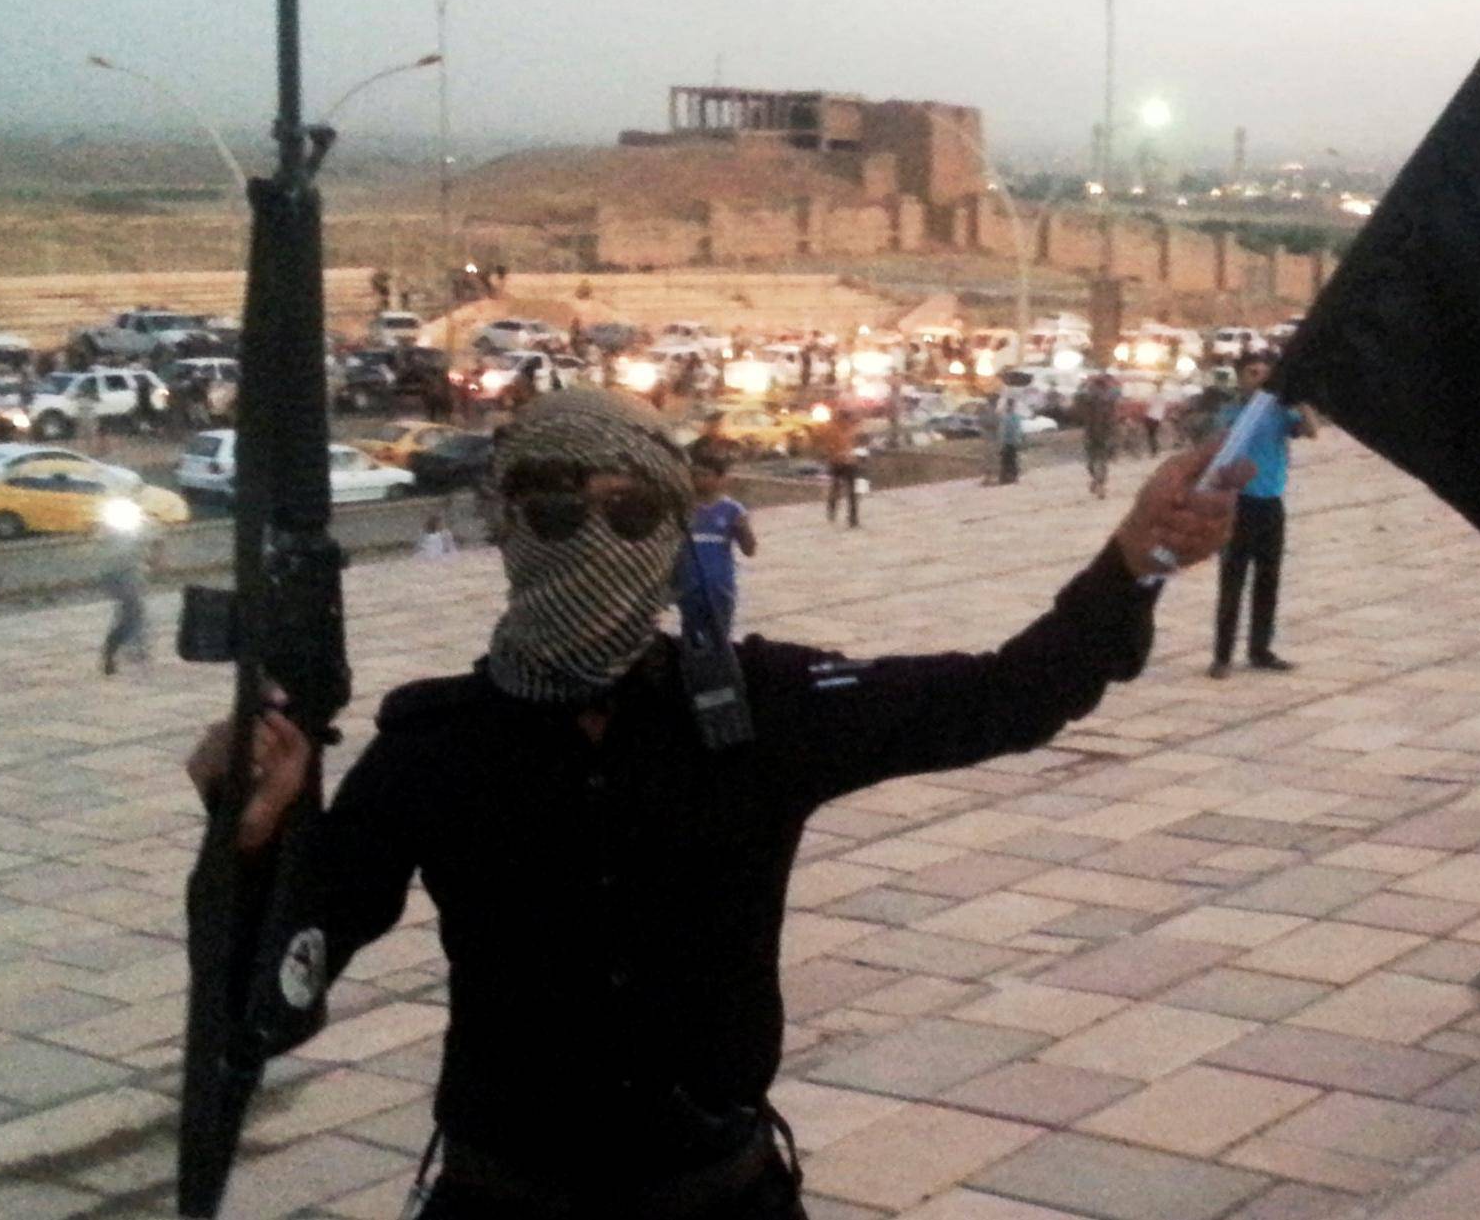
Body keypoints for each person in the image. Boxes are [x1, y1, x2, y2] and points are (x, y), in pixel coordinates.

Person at [186, 389, 1246, 1220]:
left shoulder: (755, 710)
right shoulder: (436, 747)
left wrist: (1137, 559)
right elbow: (272, 998)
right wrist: (250, 841)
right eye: (555, 507)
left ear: (670, 528)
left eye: (630, 510)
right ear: (506, 523)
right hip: (504, 1199)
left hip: (716, 1197)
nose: (591, 538)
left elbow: (1007, 696)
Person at [1208, 354, 1318, 678]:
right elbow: (1216, 451)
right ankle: (1222, 655)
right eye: (1252, 373)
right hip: (1237, 504)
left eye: (1265, 374)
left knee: (1268, 580)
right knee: (1232, 580)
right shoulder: (1230, 413)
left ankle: (1261, 650)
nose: (1259, 379)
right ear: (1240, 378)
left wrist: (1302, 402)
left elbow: (1311, 431)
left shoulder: (1279, 412)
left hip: (1271, 504)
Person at [676, 440, 757, 645]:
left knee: (720, 638)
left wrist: (743, 529)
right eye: (694, 475)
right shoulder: (683, 509)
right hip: (689, 586)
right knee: (691, 638)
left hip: (720, 587)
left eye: (704, 475)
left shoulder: (732, 510)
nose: (698, 480)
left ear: (720, 478)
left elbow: (749, 550)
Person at [101, 519, 151, 675]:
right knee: (131, 613)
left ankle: (132, 648)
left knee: (132, 613)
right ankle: (113, 651)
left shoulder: (135, 528)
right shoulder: (111, 531)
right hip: (119, 575)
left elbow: (148, 545)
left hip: (128, 575)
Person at [818, 404, 863, 528]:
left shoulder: (846, 430)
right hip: (839, 463)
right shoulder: (835, 431)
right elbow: (830, 447)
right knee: (840, 489)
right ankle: (839, 512)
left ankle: (851, 517)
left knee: (847, 490)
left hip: (845, 463)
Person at [1081, 373, 1121, 500]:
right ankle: (1098, 482)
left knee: (1095, 461)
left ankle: (1099, 483)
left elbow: (1112, 419)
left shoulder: (1103, 400)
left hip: (1098, 433)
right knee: (1097, 462)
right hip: (1098, 433)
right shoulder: (1095, 400)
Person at [996, 396, 1025, 486]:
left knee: (1009, 460)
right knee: (1009, 460)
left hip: (1009, 442)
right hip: (1010, 442)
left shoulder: (1008, 417)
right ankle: (1009, 477)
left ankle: (1008, 478)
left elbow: (1016, 430)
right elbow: (1018, 430)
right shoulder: (1012, 417)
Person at [1143, 381, 1169, 457]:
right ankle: (1156, 450)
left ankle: (1154, 450)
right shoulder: (1164, 396)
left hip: (1150, 416)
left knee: (1151, 435)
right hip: (1158, 417)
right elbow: (1165, 407)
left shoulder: (1152, 395)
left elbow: (1147, 404)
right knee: (1155, 433)